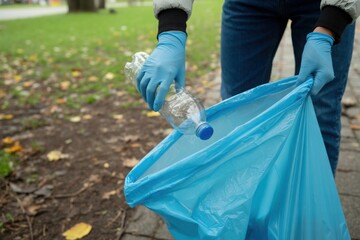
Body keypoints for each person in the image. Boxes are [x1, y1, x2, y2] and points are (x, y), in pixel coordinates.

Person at [136, 0, 360, 175]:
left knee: (318, 110)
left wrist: (331, 25)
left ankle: (312, 216)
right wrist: (171, 30)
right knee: (238, 111)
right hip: (248, 4)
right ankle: (244, 208)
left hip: (321, 6)